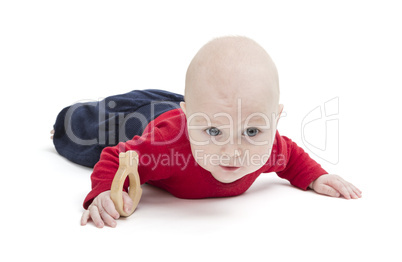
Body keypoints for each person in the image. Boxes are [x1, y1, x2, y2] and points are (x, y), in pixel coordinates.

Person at [51, 36, 362, 228]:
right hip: (154, 121)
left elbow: (292, 155)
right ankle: (68, 121)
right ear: (189, 120)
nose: (233, 151)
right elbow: (115, 157)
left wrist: (316, 176)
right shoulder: (163, 148)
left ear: (275, 119)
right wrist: (104, 191)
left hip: (199, 108)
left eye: (251, 131)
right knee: (106, 125)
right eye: (215, 132)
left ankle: (196, 110)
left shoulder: (267, 148)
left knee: (206, 103)